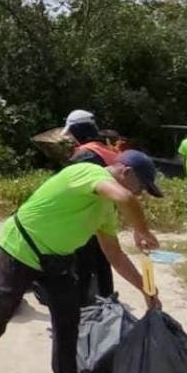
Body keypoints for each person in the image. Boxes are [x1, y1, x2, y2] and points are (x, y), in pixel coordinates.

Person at [0, 150, 164, 373]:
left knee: (68, 321)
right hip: (22, 248)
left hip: (56, 261)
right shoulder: (86, 173)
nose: (140, 195)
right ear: (126, 173)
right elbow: (126, 197)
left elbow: (114, 255)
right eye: (142, 188)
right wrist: (142, 230)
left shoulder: (106, 209)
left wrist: (147, 289)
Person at [63, 110, 118, 304]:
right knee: (103, 261)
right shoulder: (107, 150)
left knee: (82, 267)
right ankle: (108, 305)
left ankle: (81, 312)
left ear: (78, 130)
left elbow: (68, 187)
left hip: (85, 216)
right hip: (106, 213)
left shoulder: (84, 155)